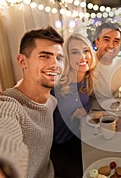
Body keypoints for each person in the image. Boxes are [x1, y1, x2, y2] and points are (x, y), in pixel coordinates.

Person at [0, 26, 65, 177]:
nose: (55, 65)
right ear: (22, 61)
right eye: (44, 56)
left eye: (59, 58)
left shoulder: (51, 101)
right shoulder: (3, 106)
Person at [50, 33, 96, 178]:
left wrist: (82, 112)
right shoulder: (56, 83)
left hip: (77, 138)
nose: (83, 56)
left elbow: (86, 103)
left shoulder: (87, 80)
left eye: (86, 50)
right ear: (66, 58)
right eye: (75, 52)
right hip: (57, 146)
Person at [93, 22, 121, 106]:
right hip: (89, 113)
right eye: (106, 40)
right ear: (97, 42)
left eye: (116, 41)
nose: (111, 45)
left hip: (114, 112)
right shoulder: (86, 62)